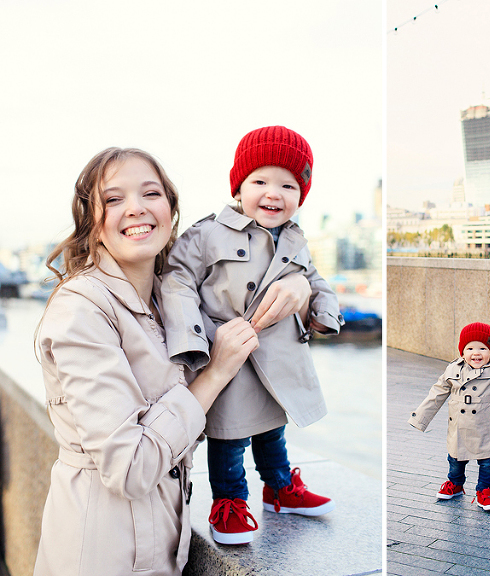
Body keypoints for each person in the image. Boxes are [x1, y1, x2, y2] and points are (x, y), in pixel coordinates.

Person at [33, 147, 311, 576]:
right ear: (93, 221)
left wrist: (298, 283)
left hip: (158, 542)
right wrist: (215, 373)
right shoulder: (82, 311)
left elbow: (252, 269)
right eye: (113, 199)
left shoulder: (169, 303)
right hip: (100, 554)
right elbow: (130, 467)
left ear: (170, 210)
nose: (136, 209)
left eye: (151, 193)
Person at [161, 126, 343, 545]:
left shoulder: (295, 238)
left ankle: (279, 488)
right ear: (239, 186)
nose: (273, 193)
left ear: (302, 194)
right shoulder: (206, 233)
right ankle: (229, 501)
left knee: (271, 429)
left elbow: (315, 281)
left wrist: (324, 313)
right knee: (228, 436)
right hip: (228, 354)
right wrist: (193, 340)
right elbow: (177, 280)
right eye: (260, 181)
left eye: (288, 184)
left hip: (276, 357)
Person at [408, 322, 490, 511]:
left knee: (487, 463)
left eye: (482, 348)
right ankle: (455, 484)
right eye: (470, 348)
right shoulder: (453, 369)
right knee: (455, 460)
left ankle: (485, 491)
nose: (476, 353)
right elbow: (437, 393)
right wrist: (419, 418)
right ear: (462, 351)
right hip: (460, 427)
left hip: (486, 427)